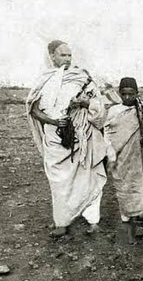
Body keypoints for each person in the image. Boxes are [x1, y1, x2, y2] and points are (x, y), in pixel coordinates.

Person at [26, 40, 108, 238]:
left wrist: (84, 103)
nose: (67, 59)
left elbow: (98, 104)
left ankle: (93, 221)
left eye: (69, 55)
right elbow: (34, 110)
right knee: (58, 180)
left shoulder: (81, 77)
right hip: (55, 138)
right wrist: (53, 121)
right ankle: (62, 222)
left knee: (88, 174)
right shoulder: (44, 80)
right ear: (52, 56)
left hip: (82, 136)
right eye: (63, 55)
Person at [104, 77, 143, 244]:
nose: (127, 97)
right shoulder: (114, 111)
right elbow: (107, 133)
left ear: (137, 93)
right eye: (124, 94)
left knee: (141, 190)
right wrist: (111, 151)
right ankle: (127, 219)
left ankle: (139, 223)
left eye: (131, 94)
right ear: (120, 94)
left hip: (141, 158)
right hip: (121, 158)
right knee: (124, 189)